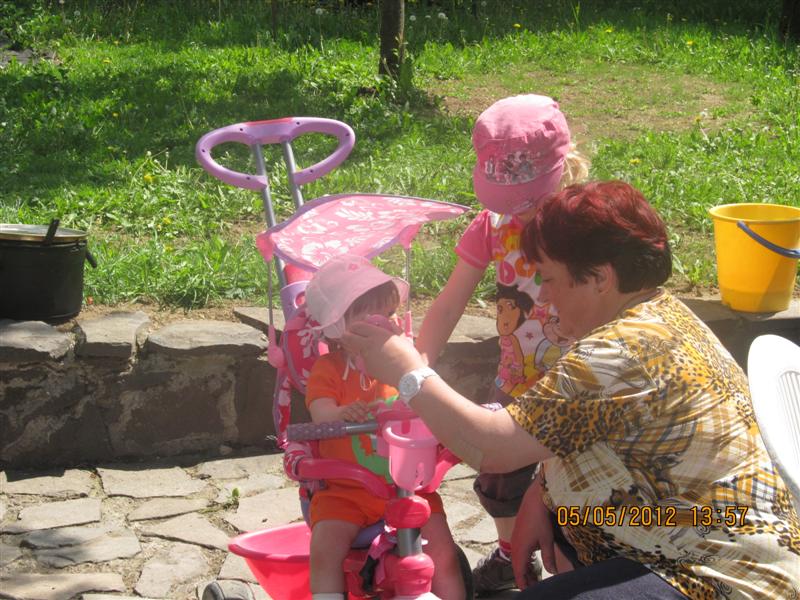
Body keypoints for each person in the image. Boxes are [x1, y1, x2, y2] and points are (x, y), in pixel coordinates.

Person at [342, 181, 800, 599]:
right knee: (567, 530)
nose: (543, 297)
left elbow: (492, 447)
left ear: (599, 277)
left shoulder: (619, 352)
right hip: (698, 525)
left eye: (550, 279)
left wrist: (407, 371)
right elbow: (580, 427)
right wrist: (542, 495)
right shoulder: (660, 315)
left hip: (720, 573)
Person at [415, 93, 590, 593]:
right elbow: (449, 303)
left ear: (564, 168)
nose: (519, 212)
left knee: (574, 489)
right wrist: (416, 364)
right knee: (500, 484)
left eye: (529, 200)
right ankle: (513, 554)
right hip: (516, 384)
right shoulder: (492, 227)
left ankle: (578, 569)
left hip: (581, 386)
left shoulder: (586, 224)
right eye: (508, 201)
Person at [302, 254, 465, 600]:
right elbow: (320, 413)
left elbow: (430, 400)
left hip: (407, 486)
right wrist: (342, 413)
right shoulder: (329, 369)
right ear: (338, 327)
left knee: (444, 554)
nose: (383, 323)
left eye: (389, 314)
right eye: (369, 316)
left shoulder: (401, 364)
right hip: (346, 491)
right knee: (325, 550)